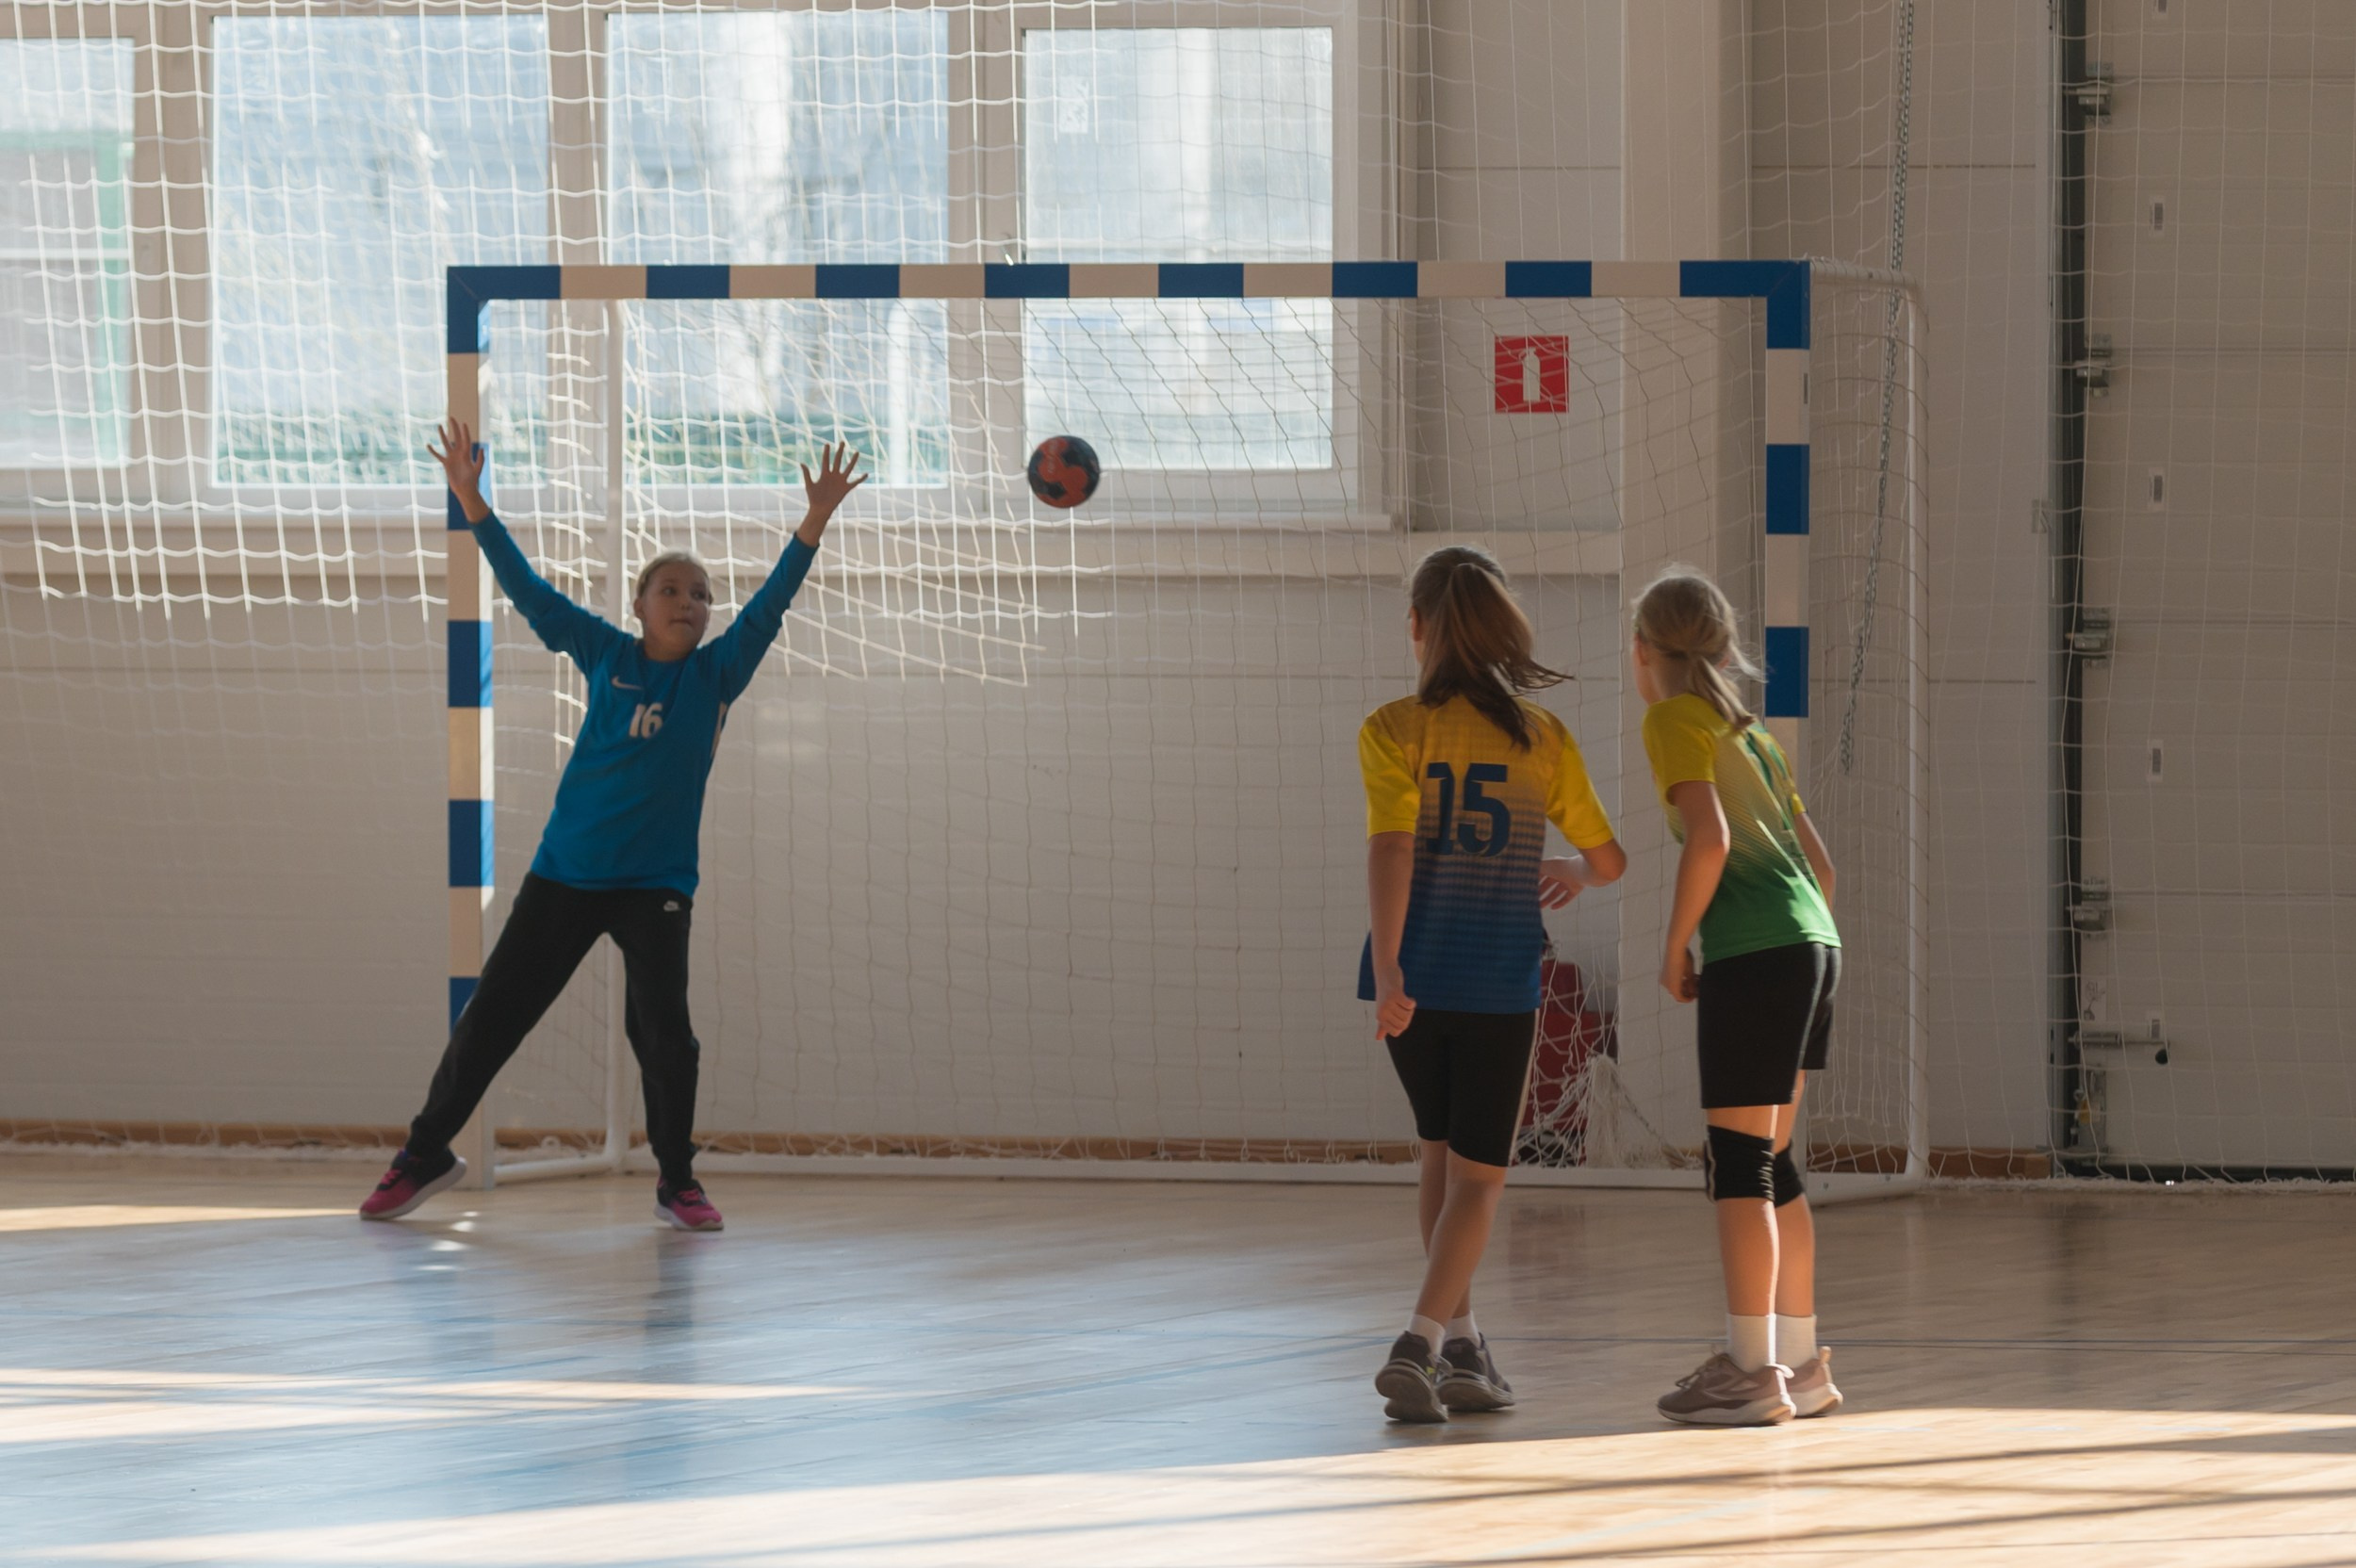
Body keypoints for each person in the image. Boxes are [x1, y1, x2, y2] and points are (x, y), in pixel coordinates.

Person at [359, 416, 866, 1232]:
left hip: (655, 886)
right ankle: (424, 1152)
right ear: (638, 605)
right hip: (566, 874)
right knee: (492, 1019)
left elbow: (770, 607)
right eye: (671, 589)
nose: (689, 602)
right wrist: (471, 501)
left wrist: (814, 523)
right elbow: (530, 594)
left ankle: (677, 1180)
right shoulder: (605, 653)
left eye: (701, 595)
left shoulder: (717, 676)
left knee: (666, 1036)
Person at [1360, 546, 1628, 1422]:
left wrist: (1393, 966)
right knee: (1480, 1179)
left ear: (1418, 629)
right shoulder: (1541, 740)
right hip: (1496, 977)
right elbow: (1609, 859)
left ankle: (1464, 1348)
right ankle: (1420, 1340)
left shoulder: (1391, 727)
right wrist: (1573, 873)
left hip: (1410, 980)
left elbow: (1392, 848)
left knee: (1439, 1158)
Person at [1633, 568, 1843, 1425]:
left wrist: (1677, 939)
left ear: (1644, 652)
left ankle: (1751, 1369)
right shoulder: (1753, 735)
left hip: (1760, 954)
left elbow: (1710, 840)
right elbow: (1821, 867)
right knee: (1774, 1160)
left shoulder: (1672, 721)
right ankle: (1802, 1360)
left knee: (1737, 1165)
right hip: (1816, 943)